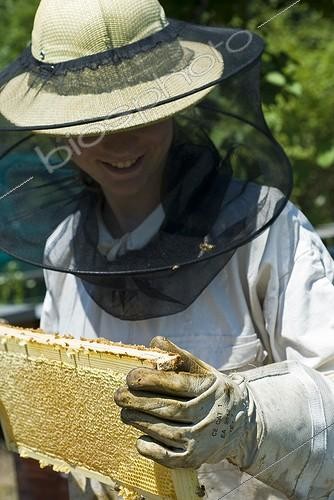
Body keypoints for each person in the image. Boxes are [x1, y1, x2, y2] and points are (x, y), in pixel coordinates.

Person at [0, 0, 333, 499]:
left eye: (142, 110)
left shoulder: (266, 230)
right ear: (60, 129)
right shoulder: (63, 250)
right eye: (94, 119)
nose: (120, 140)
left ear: (176, 102)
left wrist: (247, 420)